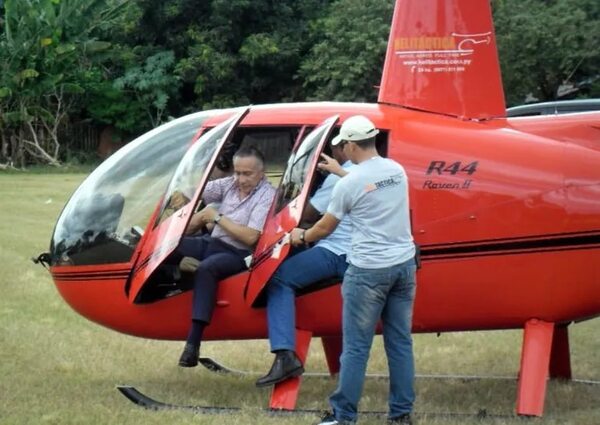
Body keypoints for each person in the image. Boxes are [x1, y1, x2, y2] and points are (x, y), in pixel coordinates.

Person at [288, 116, 417, 425]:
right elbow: (369, 186)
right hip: (403, 266)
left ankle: (343, 416)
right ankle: (400, 415)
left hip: (367, 272)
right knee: (399, 343)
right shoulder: (395, 171)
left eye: (342, 146)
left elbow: (324, 226)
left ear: (349, 145)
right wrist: (340, 172)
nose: (342, 150)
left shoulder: (349, 184)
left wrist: (301, 236)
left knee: (356, 348)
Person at [255, 143, 354, 388]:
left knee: (279, 278)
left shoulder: (340, 176)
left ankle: (285, 355)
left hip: (338, 251)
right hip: (364, 252)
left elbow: (307, 215)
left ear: (343, 147)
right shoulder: (376, 170)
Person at [176, 146, 276, 367]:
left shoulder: (267, 195)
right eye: (237, 172)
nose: (240, 179)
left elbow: (251, 237)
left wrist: (216, 217)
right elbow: (198, 191)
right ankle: (177, 270)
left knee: (207, 269)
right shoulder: (230, 183)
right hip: (211, 242)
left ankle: (193, 343)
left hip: (238, 253)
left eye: (247, 174)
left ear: (262, 173)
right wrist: (182, 195)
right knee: (170, 245)